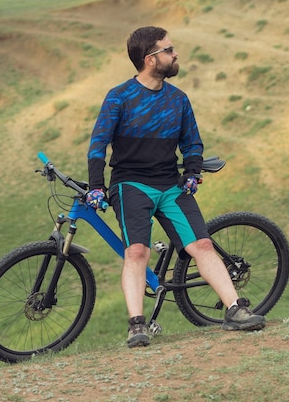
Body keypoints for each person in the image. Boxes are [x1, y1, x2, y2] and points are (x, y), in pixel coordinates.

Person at [86, 26, 265, 348]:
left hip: (170, 185)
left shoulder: (179, 100)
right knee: (137, 251)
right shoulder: (119, 97)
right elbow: (98, 145)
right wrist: (97, 186)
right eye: (168, 50)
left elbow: (192, 143)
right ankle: (137, 325)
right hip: (131, 185)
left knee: (204, 246)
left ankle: (235, 310)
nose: (176, 53)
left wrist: (193, 172)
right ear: (150, 59)